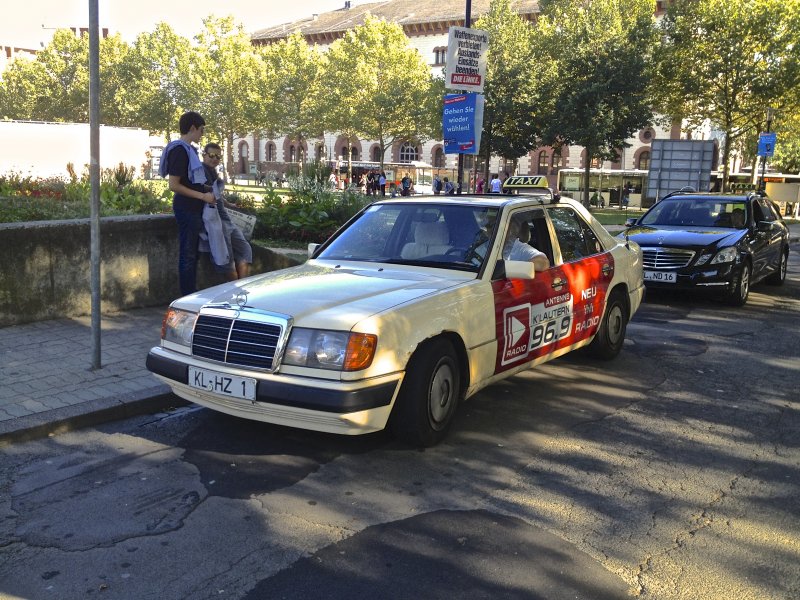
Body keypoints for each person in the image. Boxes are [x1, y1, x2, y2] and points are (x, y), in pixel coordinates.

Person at [159, 111, 216, 296]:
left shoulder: (189, 150)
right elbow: (174, 185)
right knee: (188, 254)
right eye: (201, 130)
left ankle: (190, 292)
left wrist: (208, 189)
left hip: (193, 208)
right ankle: (187, 295)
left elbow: (190, 181)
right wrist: (202, 196)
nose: (202, 134)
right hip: (186, 208)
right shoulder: (180, 151)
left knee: (193, 253)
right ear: (192, 128)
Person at [201, 143, 253, 281]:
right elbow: (201, 190)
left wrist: (228, 203)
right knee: (226, 259)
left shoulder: (213, 172)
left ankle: (241, 285)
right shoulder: (200, 171)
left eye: (218, 156)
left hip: (225, 219)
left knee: (244, 249)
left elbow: (216, 193)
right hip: (216, 221)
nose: (215, 159)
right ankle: (235, 289)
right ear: (204, 155)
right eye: (212, 155)